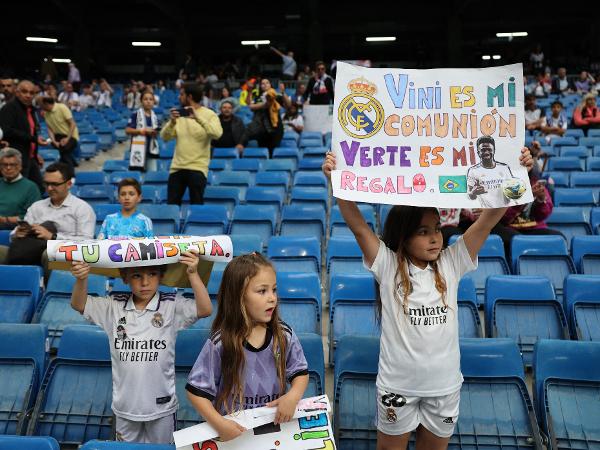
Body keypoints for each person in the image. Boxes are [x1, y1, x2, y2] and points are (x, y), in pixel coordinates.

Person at [321, 147, 532, 450]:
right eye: (423, 231)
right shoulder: (388, 264)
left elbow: (487, 221)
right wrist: (336, 180)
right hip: (397, 387)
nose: (435, 237)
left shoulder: (452, 261)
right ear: (403, 236)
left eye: (436, 229)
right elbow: (357, 225)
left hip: (444, 387)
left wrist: (517, 172)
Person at [70, 250, 212, 444]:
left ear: (161, 276)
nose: (145, 282)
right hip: (125, 406)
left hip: (161, 407)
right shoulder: (114, 305)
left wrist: (193, 274)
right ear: (124, 276)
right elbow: (79, 304)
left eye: (152, 274)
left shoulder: (171, 304)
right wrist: (82, 279)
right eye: (137, 275)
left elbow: (205, 309)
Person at [186, 253, 309, 441]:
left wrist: (293, 396)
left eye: (274, 290)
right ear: (239, 297)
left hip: (274, 433)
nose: (272, 298)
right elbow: (196, 393)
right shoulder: (220, 343)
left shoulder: (284, 335)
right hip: (235, 436)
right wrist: (219, 424)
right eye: (262, 291)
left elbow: (300, 373)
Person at [0, 162, 95, 266]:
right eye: (46, 184)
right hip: (30, 248)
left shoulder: (82, 208)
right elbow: (16, 232)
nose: (49, 188)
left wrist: (52, 237)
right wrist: (17, 233)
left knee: (48, 253)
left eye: (55, 184)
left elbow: (87, 243)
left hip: (63, 254)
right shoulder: (37, 206)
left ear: (68, 184)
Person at [161, 82, 222, 205]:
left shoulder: (210, 114)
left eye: (182, 94)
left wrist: (198, 118)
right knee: (172, 206)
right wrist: (172, 122)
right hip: (177, 168)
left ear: (189, 97)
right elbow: (164, 137)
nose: (179, 97)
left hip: (197, 168)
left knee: (197, 205)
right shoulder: (179, 115)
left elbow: (217, 134)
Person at [0, 80, 46, 191]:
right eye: (24, 92)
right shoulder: (9, 108)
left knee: (39, 188)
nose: (28, 95)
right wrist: (34, 139)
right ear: (17, 92)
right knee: (18, 190)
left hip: (30, 157)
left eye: (31, 93)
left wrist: (35, 155)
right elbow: (7, 131)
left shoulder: (31, 110)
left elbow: (31, 132)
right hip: (16, 159)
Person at [241, 79, 291, 156]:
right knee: (263, 153)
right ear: (260, 86)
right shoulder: (258, 97)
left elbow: (288, 105)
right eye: (262, 83)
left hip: (275, 129)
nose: (265, 84)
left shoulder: (276, 95)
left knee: (273, 153)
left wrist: (283, 92)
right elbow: (250, 105)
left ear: (270, 85)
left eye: (267, 83)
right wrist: (250, 91)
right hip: (261, 129)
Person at [467, 136, 517, 208]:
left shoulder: (504, 168)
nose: (486, 152)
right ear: (478, 152)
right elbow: (471, 196)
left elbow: (513, 191)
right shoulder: (473, 171)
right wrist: (473, 193)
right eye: (483, 150)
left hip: (505, 211)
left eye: (489, 149)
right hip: (486, 212)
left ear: (494, 150)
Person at [0, 147, 41, 230]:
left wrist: (5, 219)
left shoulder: (31, 187)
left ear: (20, 166)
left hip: (15, 228)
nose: (8, 168)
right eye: (5, 165)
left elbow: (34, 216)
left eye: (13, 165)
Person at [40, 97, 79, 171]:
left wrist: (67, 139)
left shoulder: (62, 107)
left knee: (63, 150)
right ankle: (73, 163)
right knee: (57, 147)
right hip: (58, 136)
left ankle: (70, 172)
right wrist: (54, 141)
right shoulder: (46, 113)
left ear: (47, 104)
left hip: (71, 135)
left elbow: (72, 124)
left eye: (42, 106)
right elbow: (50, 129)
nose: (40, 108)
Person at [125, 91, 160, 172]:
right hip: (138, 150)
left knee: (151, 176)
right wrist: (141, 131)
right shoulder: (135, 114)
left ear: (153, 102)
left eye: (151, 99)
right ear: (141, 101)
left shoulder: (155, 117)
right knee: (137, 178)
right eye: (145, 99)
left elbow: (157, 133)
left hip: (151, 151)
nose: (148, 101)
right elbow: (127, 130)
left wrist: (155, 133)